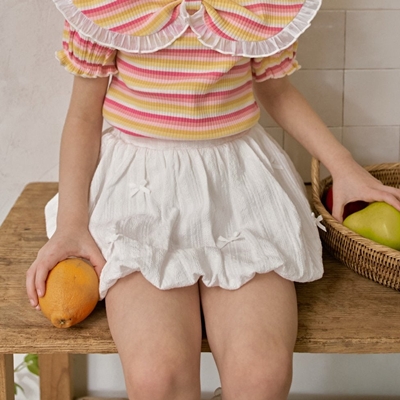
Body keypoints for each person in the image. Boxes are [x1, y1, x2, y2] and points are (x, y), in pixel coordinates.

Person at [26, 0, 400, 399]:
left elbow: (276, 90)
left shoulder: (257, 5)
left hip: (238, 188)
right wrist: (71, 225)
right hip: (140, 193)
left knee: (261, 378)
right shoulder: (107, 7)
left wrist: (344, 167)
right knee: (157, 379)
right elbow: (83, 117)